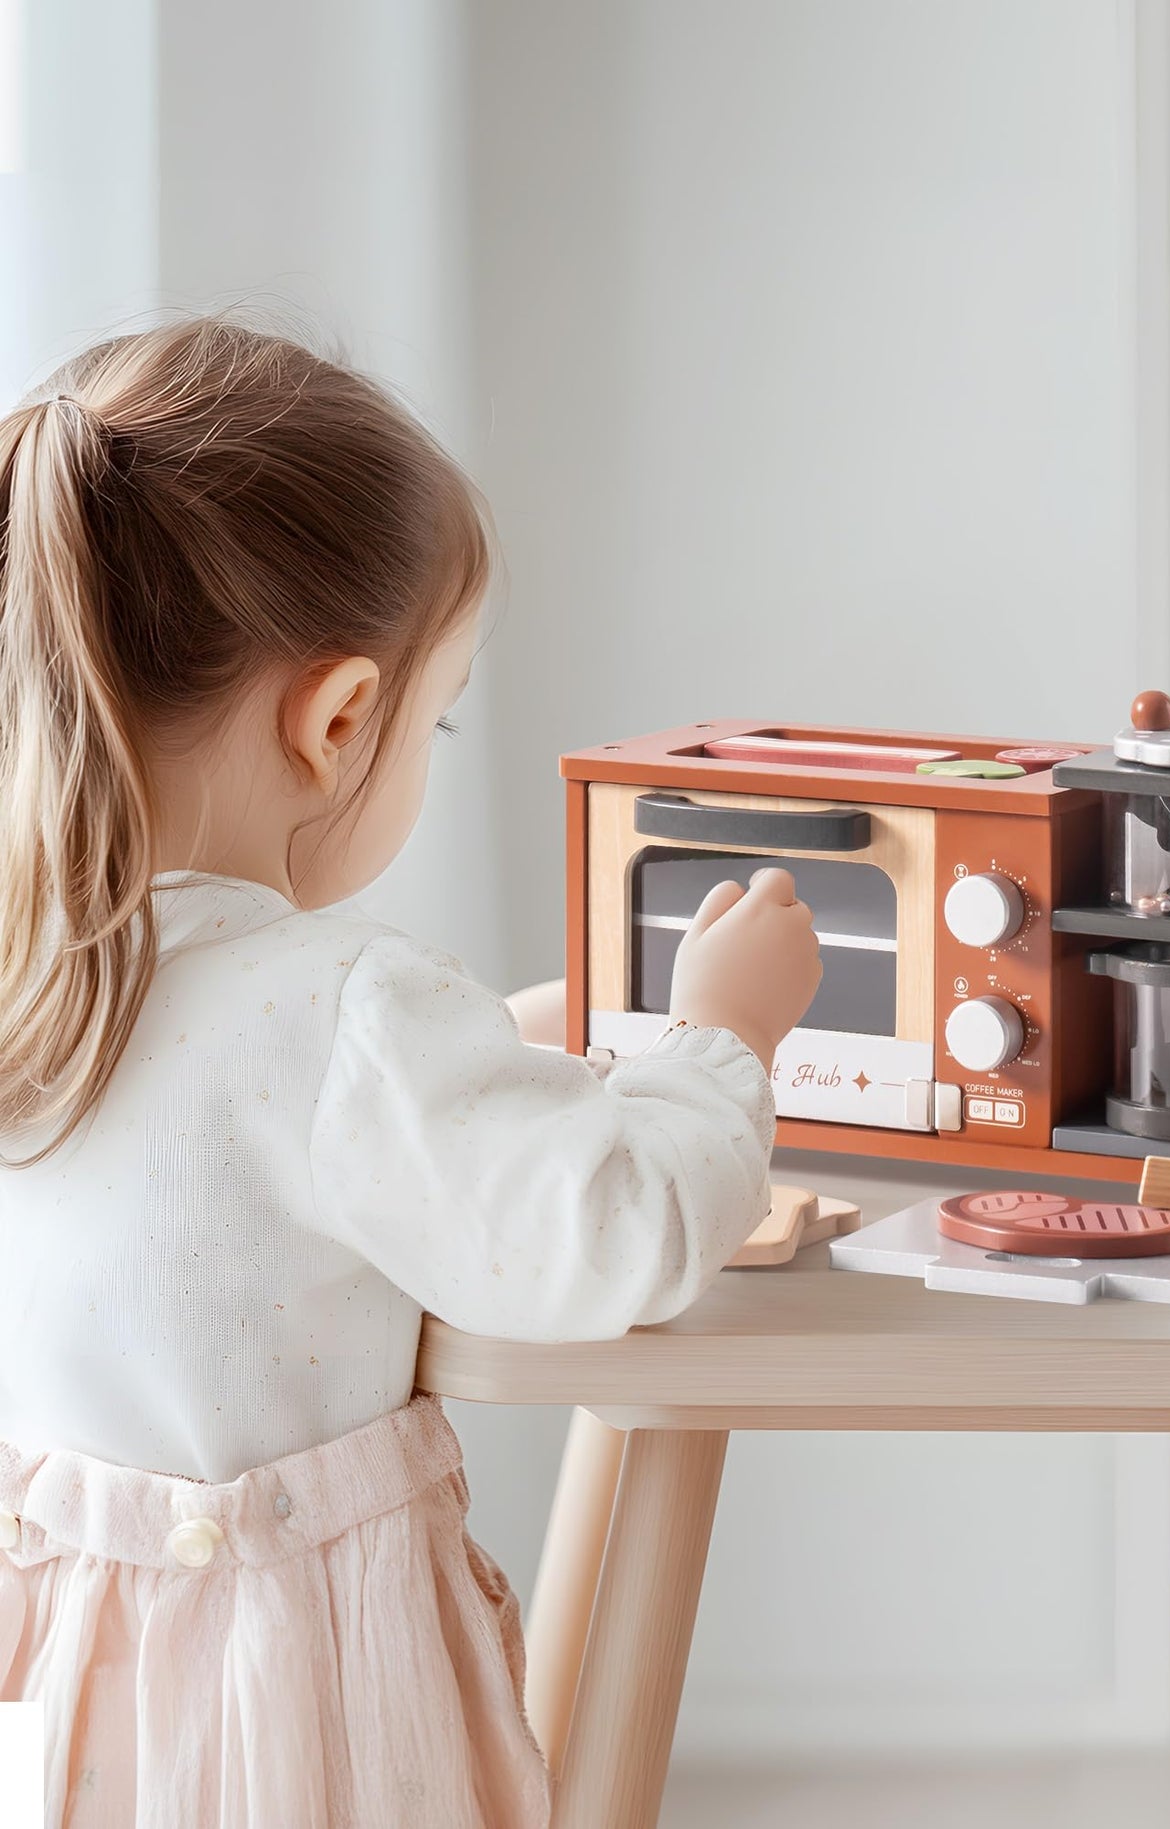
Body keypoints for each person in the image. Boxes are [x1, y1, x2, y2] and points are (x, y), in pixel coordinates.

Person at [0, 319, 820, 1827]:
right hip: (285, 1707)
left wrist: (502, 1042)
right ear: (336, 719)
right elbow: (618, 1232)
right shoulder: (351, 1002)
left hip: (69, 1694)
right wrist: (722, 1037)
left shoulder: (44, 978)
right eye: (431, 714)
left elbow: (244, 1128)